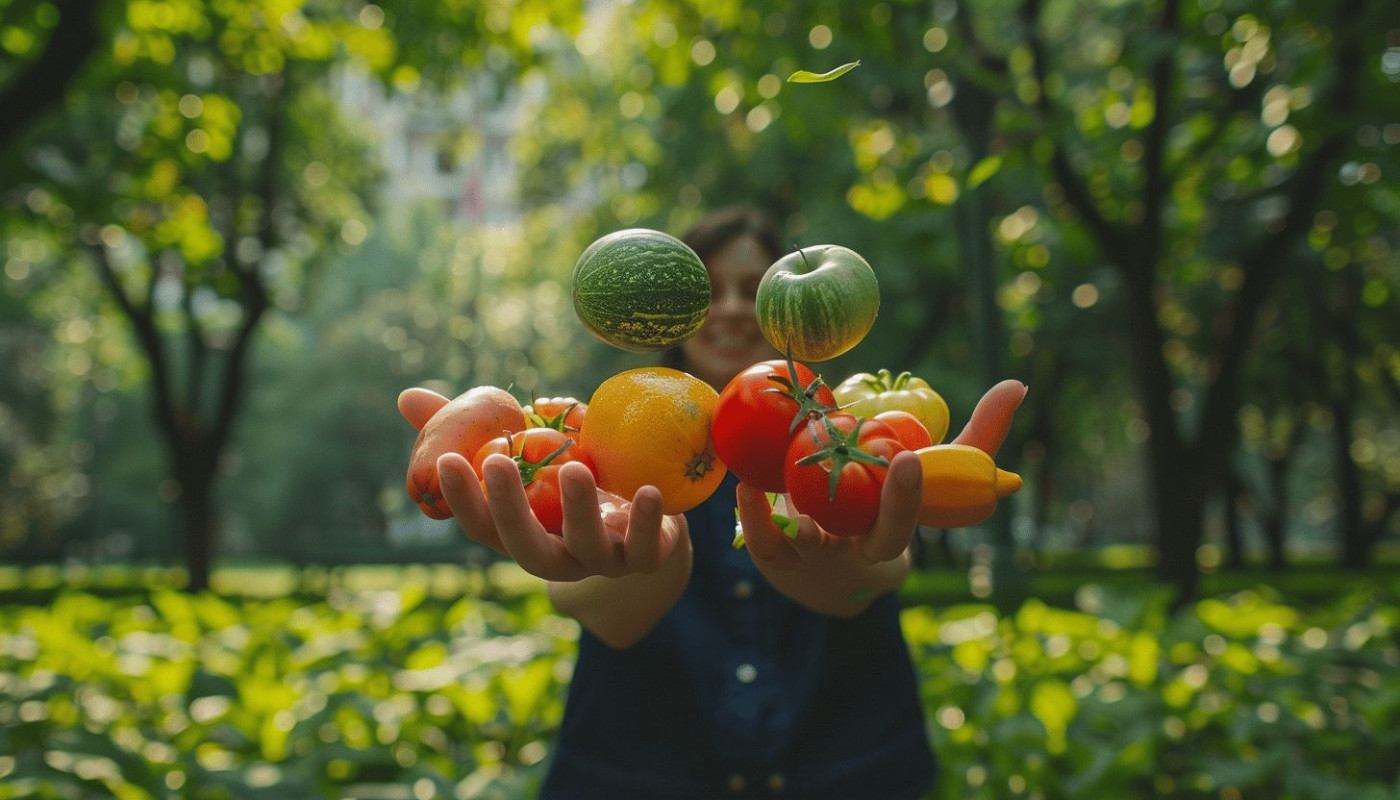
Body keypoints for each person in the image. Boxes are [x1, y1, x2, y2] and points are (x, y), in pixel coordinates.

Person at [396, 206, 1026, 799]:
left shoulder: (852, 430)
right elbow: (604, 615)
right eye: (712, 289)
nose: (731, 309)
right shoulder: (598, 436)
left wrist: (846, 550)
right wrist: (642, 561)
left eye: (755, 288)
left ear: (793, 306)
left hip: (846, 771)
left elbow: (870, 583)